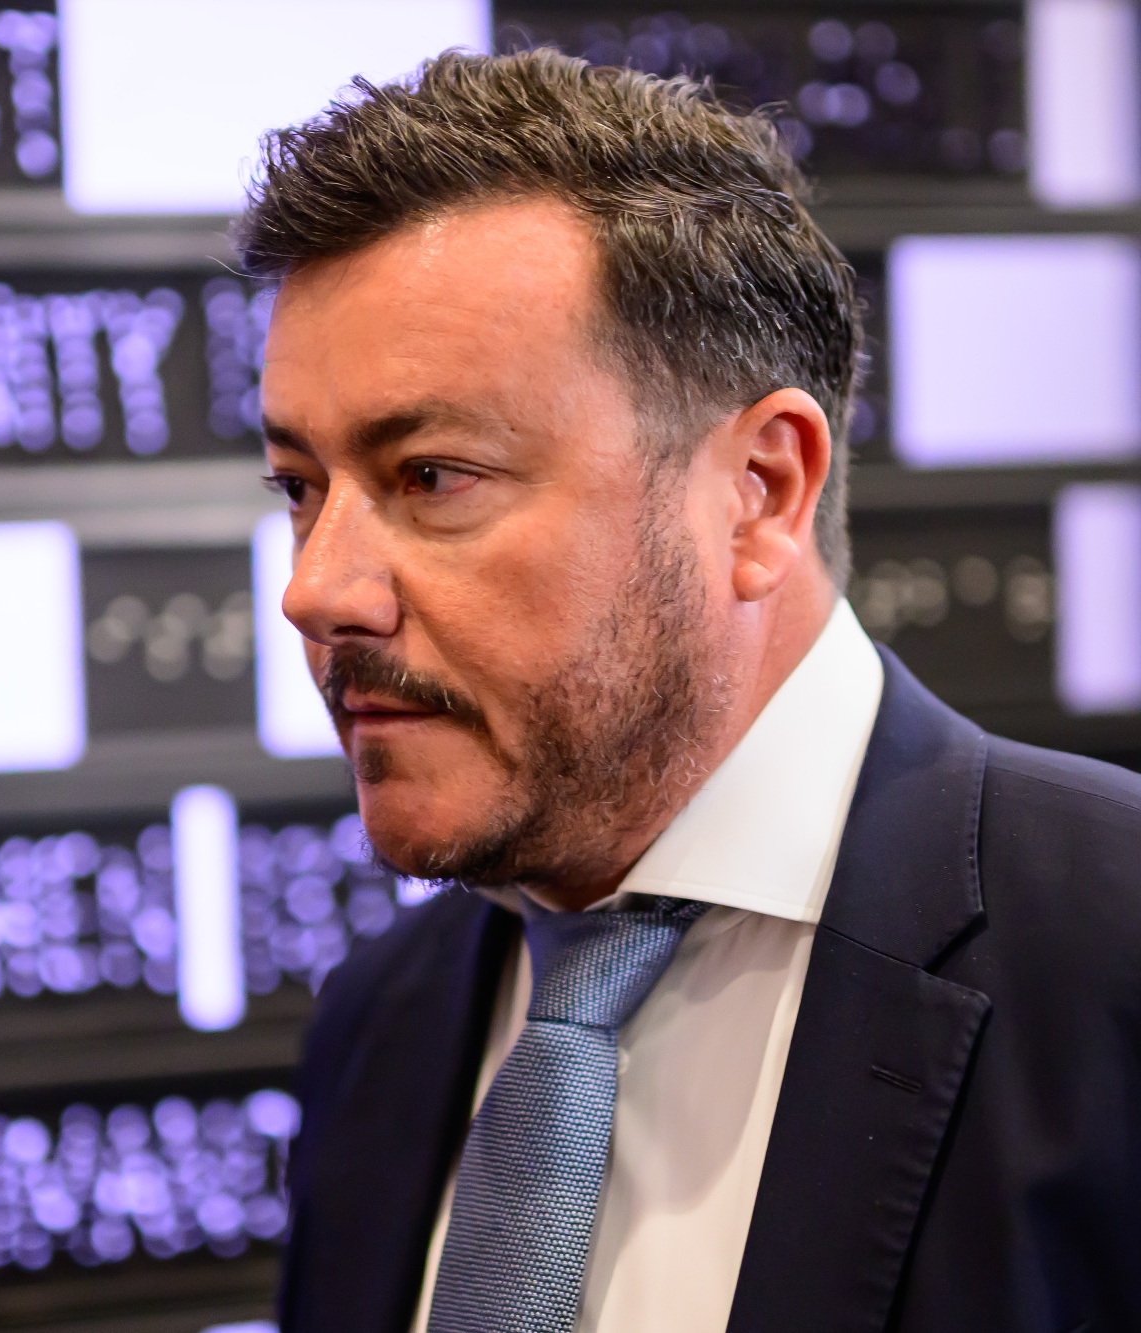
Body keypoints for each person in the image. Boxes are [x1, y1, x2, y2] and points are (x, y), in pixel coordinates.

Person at [243, 48, 1141, 1333]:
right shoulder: (376, 1026)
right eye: (298, 487)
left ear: (759, 492)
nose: (314, 589)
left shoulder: (1108, 960)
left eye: (431, 476)